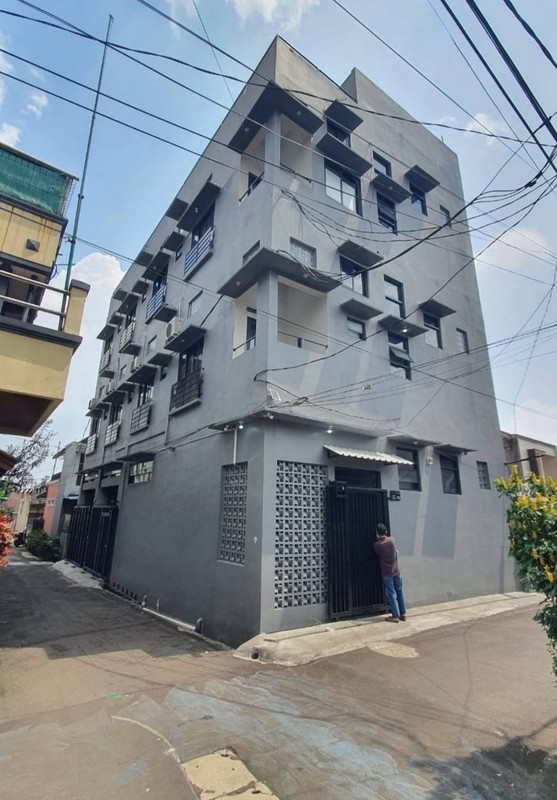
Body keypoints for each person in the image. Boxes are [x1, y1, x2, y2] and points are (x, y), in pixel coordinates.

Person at [373, 523, 407, 623]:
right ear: (386, 532)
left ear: (377, 533)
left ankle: (395, 615)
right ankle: (403, 613)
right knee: (399, 591)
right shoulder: (392, 540)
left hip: (387, 572)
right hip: (396, 570)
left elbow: (377, 552)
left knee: (391, 594)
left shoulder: (377, 545)